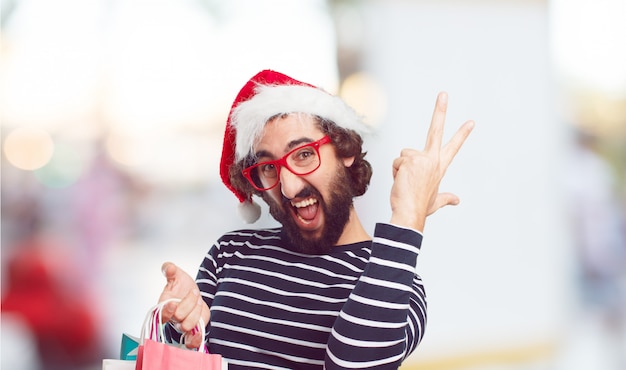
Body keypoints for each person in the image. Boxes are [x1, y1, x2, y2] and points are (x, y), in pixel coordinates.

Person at [156, 69, 474, 369]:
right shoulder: (230, 252)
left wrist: (407, 218)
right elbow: (187, 350)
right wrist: (177, 321)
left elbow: (351, 365)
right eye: (269, 167)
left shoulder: (398, 285)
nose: (289, 187)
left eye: (304, 154)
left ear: (345, 148)